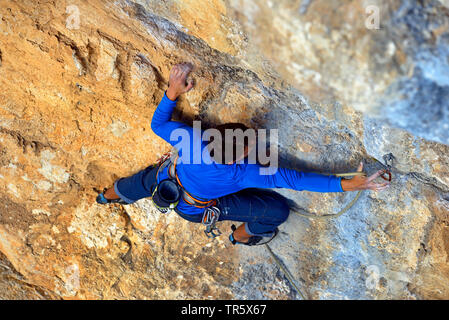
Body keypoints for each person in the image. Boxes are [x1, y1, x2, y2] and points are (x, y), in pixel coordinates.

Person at [96, 63, 390, 246]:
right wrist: (353, 184)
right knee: (277, 212)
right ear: (237, 158)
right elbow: (297, 180)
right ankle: (240, 236)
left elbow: (158, 123)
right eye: (248, 146)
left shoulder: (192, 140)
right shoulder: (247, 172)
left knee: (138, 184)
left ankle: (107, 196)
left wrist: (173, 91)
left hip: (166, 180)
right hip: (195, 209)